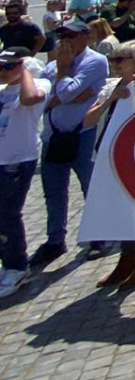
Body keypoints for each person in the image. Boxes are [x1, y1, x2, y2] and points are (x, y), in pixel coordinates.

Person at [83, 39, 135, 289]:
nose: (114, 65)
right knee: (120, 210)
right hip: (110, 158)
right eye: (113, 60)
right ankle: (128, 256)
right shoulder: (110, 87)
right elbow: (88, 121)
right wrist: (110, 99)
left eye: (120, 59)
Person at [32, 19, 109, 267]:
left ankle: (98, 235)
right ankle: (55, 240)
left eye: (71, 36)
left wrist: (65, 74)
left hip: (83, 133)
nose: (65, 41)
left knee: (90, 186)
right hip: (54, 135)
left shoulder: (95, 61)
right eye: (62, 36)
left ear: (85, 37)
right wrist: (71, 93)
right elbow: (46, 98)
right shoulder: (52, 66)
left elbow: (64, 94)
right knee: (54, 192)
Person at [0, 48, 50, 298]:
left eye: (8, 66)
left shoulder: (38, 83)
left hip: (17, 160)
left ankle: (18, 266)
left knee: (8, 213)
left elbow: (31, 99)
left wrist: (25, 72)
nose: (2, 71)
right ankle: (7, 261)